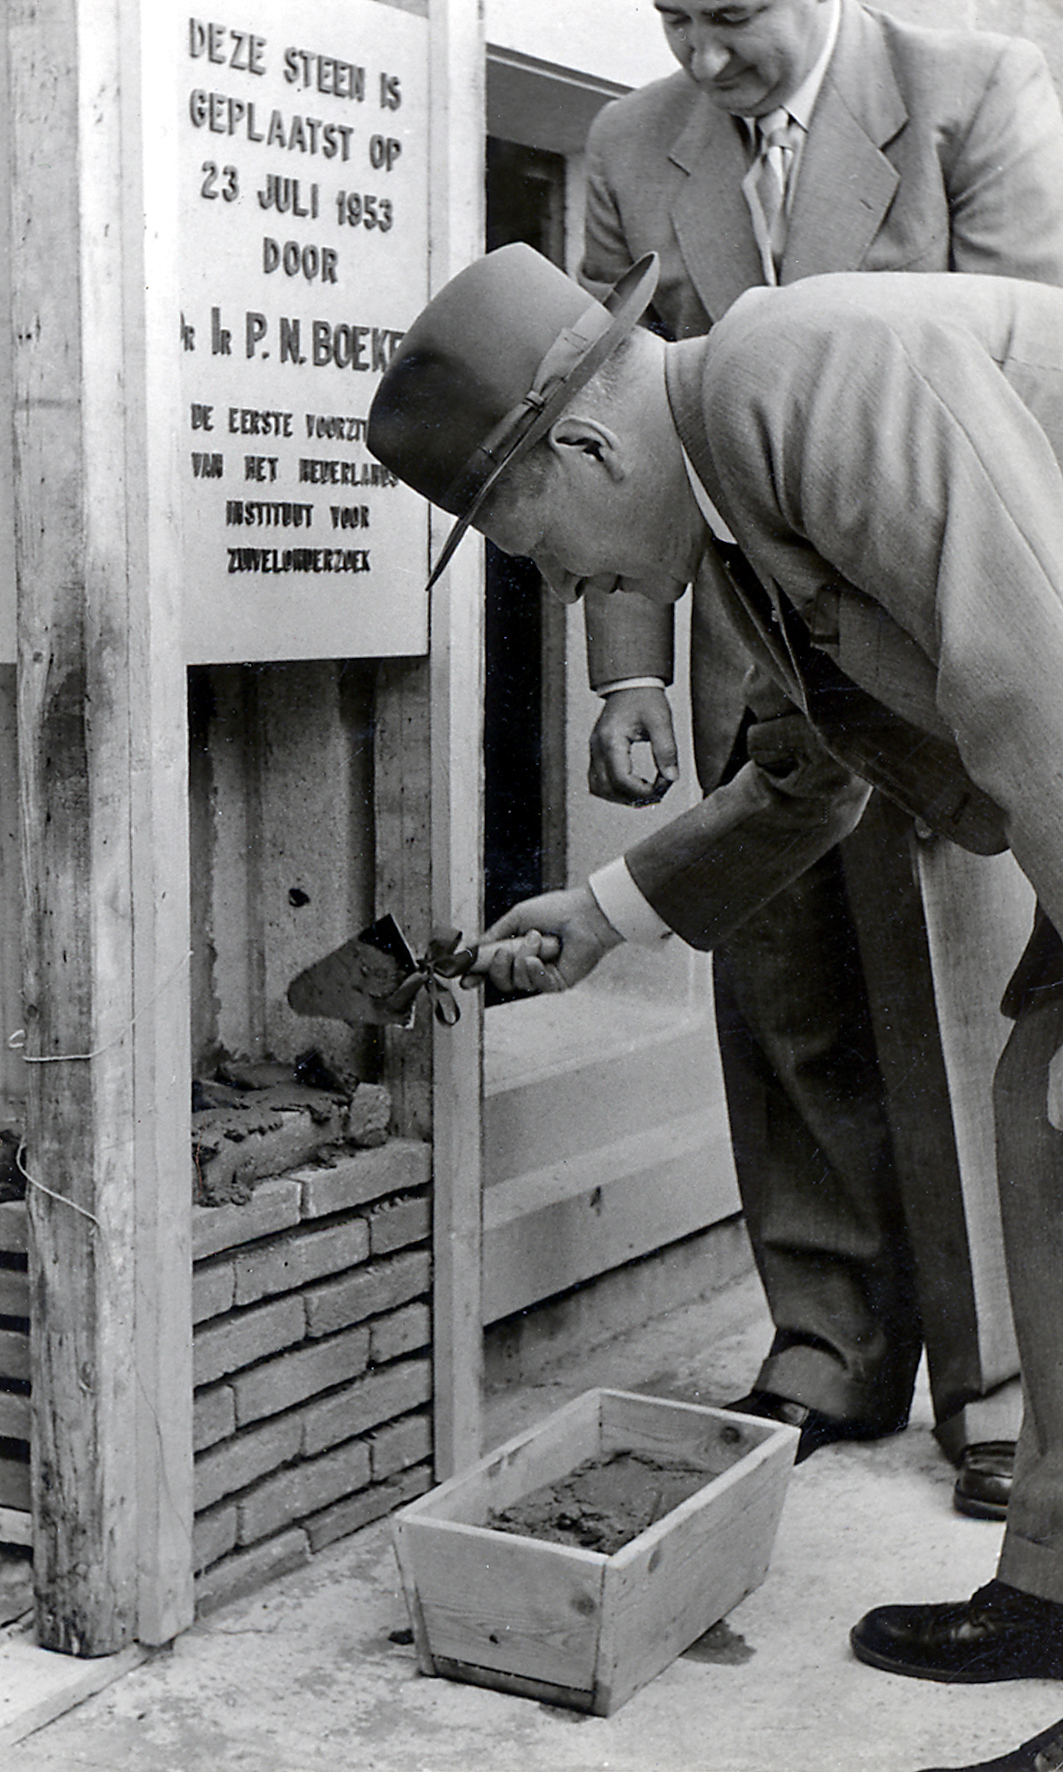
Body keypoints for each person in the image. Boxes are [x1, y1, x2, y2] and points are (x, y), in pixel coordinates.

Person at [367, 241, 1063, 1771]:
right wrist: (607, 915)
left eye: (540, 554)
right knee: (1042, 1117)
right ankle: (1056, 1586)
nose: (567, 594)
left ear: (589, 445)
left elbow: (1041, 683)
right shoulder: (739, 493)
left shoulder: (803, 375)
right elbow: (817, 774)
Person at [575, 0, 1063, 1511]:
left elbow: (1011, 459)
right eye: (674, 17)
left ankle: (1005, 1387)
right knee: (785, 1010)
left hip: (959, 612)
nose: (702, 56)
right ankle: (833, 1345)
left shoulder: (976, 87)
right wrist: (631, 670)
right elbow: (586, 406)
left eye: (732, 14)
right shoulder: (627, 143)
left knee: (986, 1024)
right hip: (777, 634)